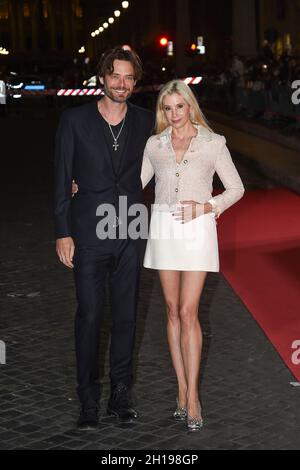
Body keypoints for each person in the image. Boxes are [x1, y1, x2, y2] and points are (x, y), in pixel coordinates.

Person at [54, 46, 154, 430]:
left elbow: (177, 148)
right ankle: (88, 399)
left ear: (135, 82)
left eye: (129, 78)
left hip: (130, 227)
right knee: (91, 314)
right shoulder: (75, 120)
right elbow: (62, 178)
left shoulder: (147, 121)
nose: (122, 84)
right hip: (88, 231)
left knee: (127, 315)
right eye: (116, 76)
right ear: (102, 77)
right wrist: (62, 230)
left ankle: (120, 394)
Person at [140, 80, 245, 430]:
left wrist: (206, 206)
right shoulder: (155, 144)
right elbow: (130, 182)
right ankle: (182, 390)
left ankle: (195, 395)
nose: (174, 115)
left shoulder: (213, 143)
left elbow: (236, 188)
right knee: (171, 311)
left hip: (198, 230)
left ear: (190, 106)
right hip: (163, 229)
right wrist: (88, 184)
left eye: (179, 107)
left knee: (188, 311)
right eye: (167, 109)